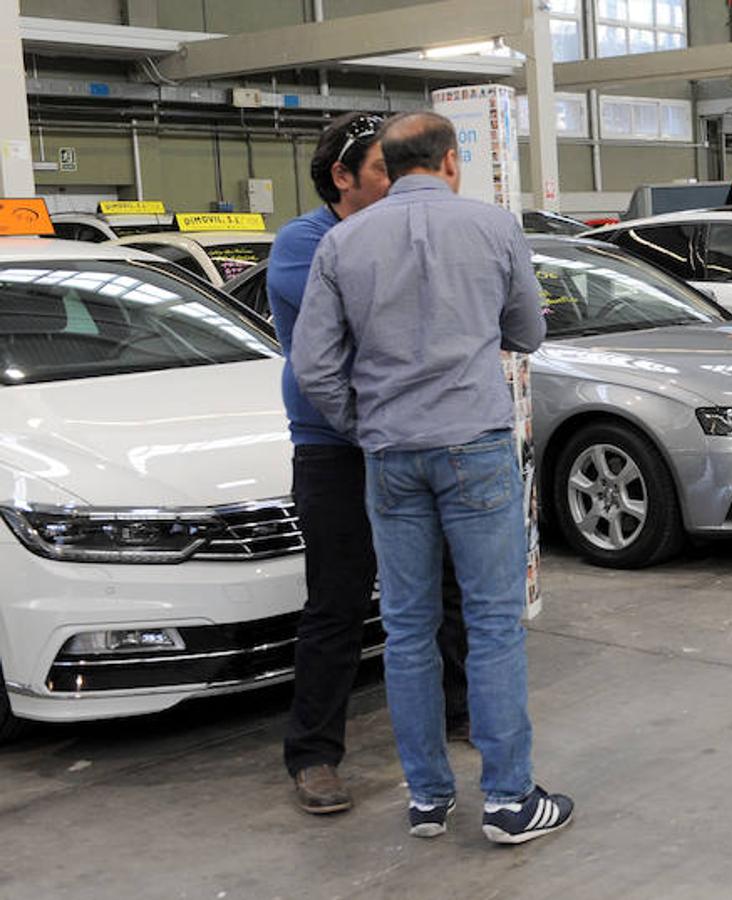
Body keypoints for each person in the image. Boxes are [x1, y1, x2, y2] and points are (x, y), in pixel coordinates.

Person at [292, 111, 570, 844]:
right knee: (491, 627)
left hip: (389, 455)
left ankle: (427, 799)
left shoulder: (342, 242)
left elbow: (313, 364)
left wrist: (366, 423)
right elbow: (528, 333)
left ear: (390, 161)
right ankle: (509, 800)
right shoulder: (491, 227)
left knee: (408, 631)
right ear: (451, 162)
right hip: (471, 445)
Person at [269, 112, 471, 817]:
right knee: (339, 599)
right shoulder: (305, 244)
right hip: (336, 444)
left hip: (409, 436)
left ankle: (457, 710)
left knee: (444, 585)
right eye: (384, 171)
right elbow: (374, 331)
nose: (398, 182)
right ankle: (314, 755)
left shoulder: (385, 233)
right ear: (343, 178)